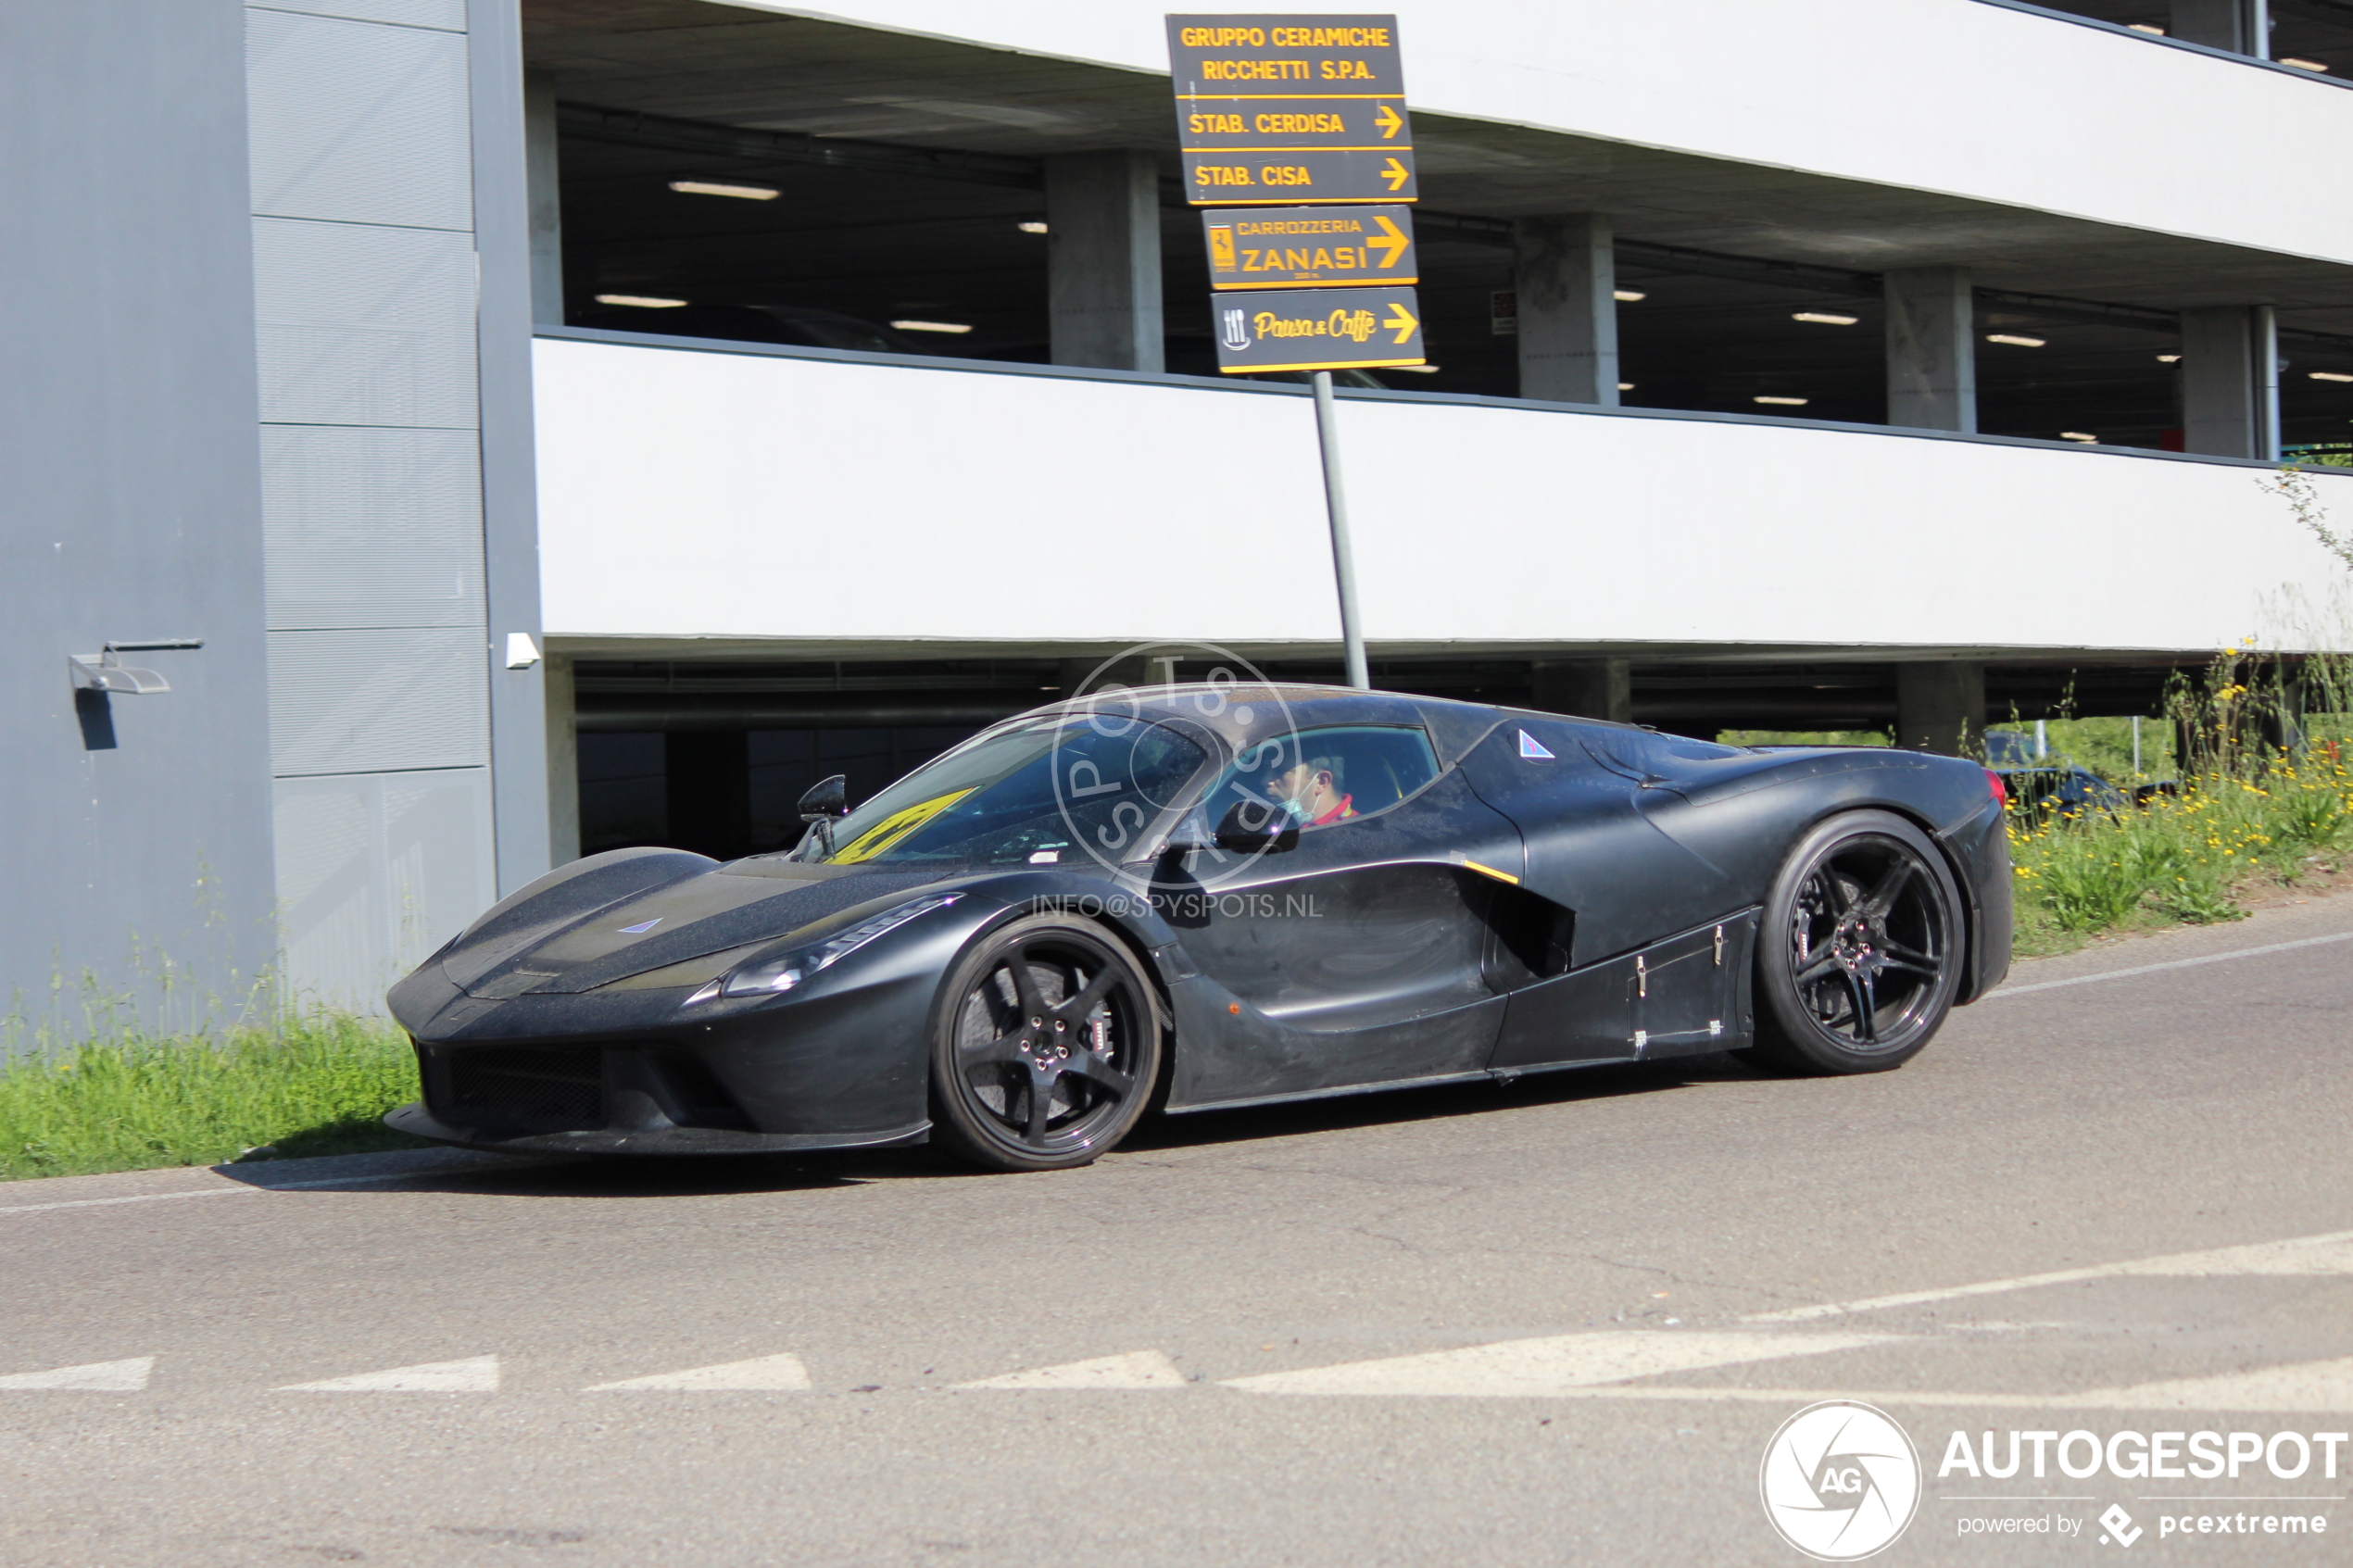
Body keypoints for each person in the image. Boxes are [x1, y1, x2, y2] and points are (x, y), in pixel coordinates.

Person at [1266, 753, 1353, 826]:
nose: (1264, 780)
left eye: (1280, 770)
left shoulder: (1355, 831)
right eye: (1265, 771)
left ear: (1321, 782)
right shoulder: (1276, 830)